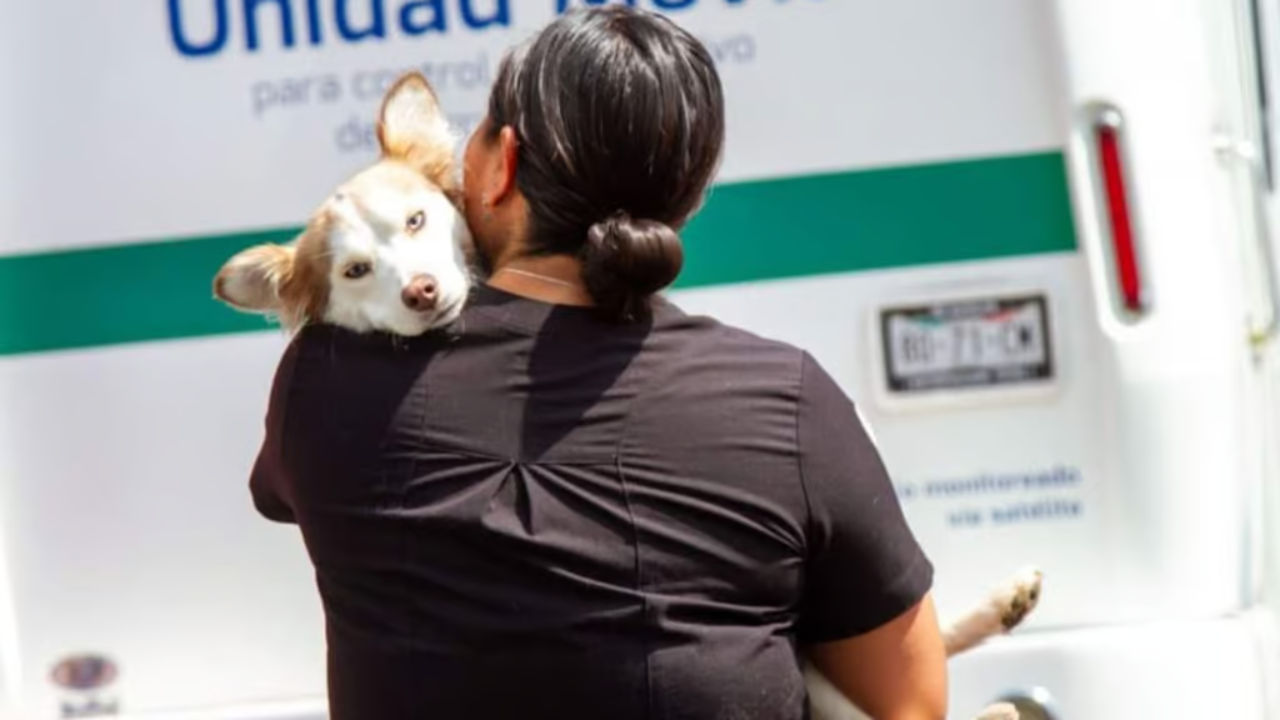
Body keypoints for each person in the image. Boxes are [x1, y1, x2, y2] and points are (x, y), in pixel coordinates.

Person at [248, 5, 947, 719]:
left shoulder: (321, 387)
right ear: (686, 198)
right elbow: (913, 704)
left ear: (501, 166)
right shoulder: (786, 401)